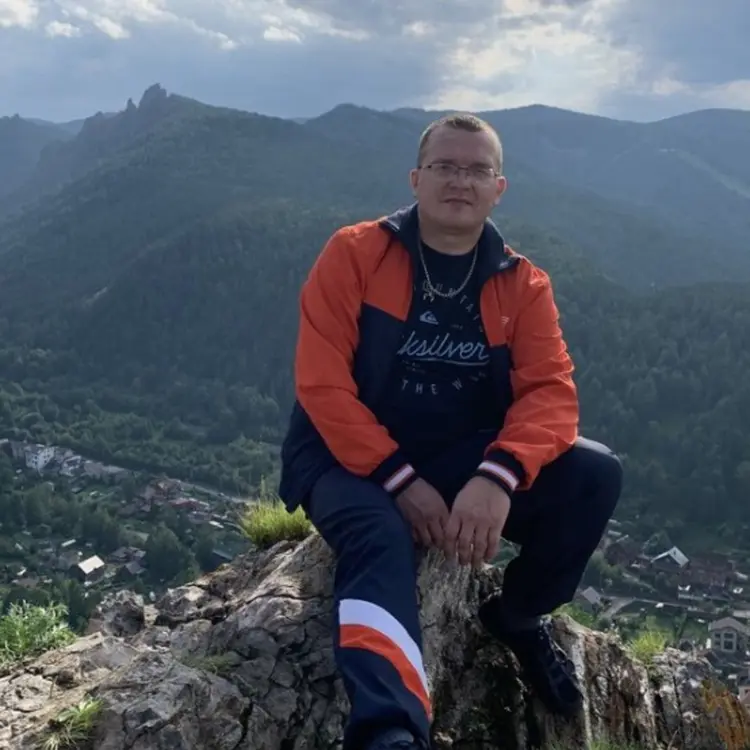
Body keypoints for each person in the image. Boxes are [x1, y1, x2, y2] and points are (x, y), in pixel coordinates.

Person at [278, 113, 623, 750]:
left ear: (499, 188)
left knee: (595, 474)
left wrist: (498, 474)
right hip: (343, 460)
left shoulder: (522, 284)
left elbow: (550, 394)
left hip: (460, 457)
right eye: (445, 166)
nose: (460, 181)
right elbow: (321, 385)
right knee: (380, 536)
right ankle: (389, 732)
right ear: (416, 179)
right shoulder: (356, 254)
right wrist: (398, 480)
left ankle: (517, 616)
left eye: (477, 170)